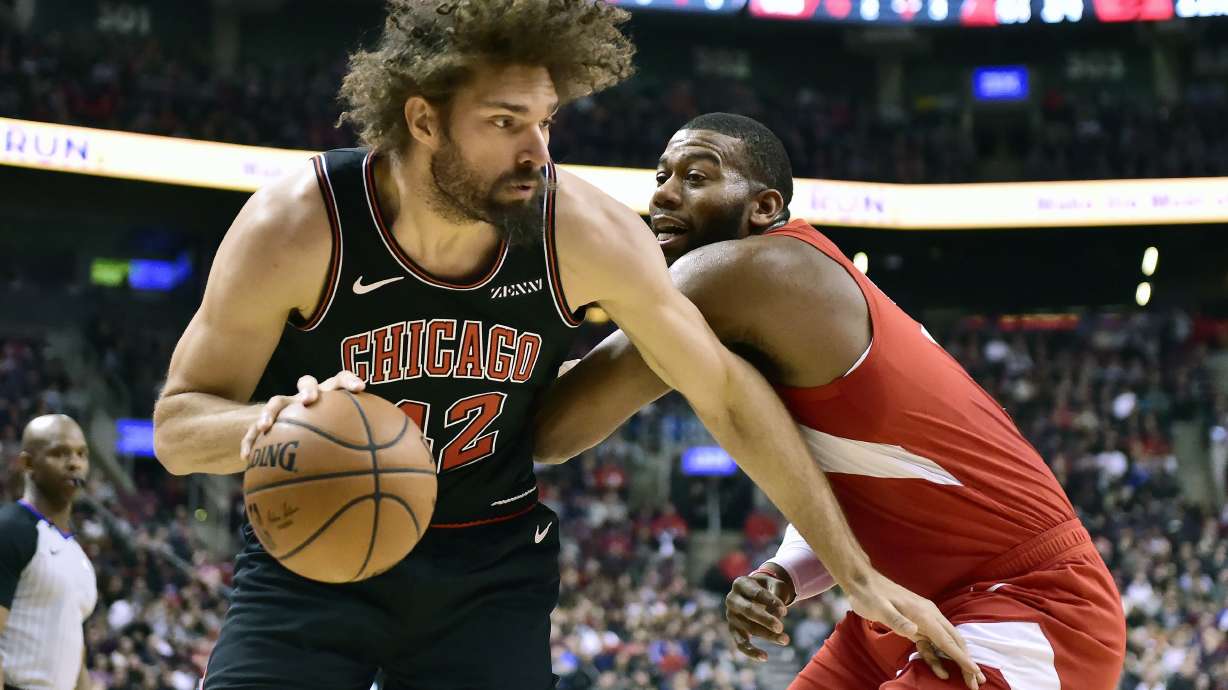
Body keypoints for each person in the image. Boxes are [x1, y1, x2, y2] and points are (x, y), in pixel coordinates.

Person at [151, 3, 978, 689]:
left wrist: (857, 574)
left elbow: (722, 390)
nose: (538, 151)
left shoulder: (576, 230)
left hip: (485, 568)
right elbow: (178, 428)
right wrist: (265, 426)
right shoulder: (299, 224)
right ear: (423, 118)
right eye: (507, 122)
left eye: (545, 121)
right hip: (310, 559)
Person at [534, 113, 1127, 690]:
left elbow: (558, 430)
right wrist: (786, 575)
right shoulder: (769, 288)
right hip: (907, 605)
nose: (664, 195)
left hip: (1029, 603)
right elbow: (854, 479)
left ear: (764, 207)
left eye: (695, 177)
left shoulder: (739, 272)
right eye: (660, 176)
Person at [0, 415, 96, 690]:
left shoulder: (77, 554)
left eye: (81, 454)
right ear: (27, 464)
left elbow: (74, 656)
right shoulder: (10, 529)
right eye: (59, 453)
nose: (75, 463)